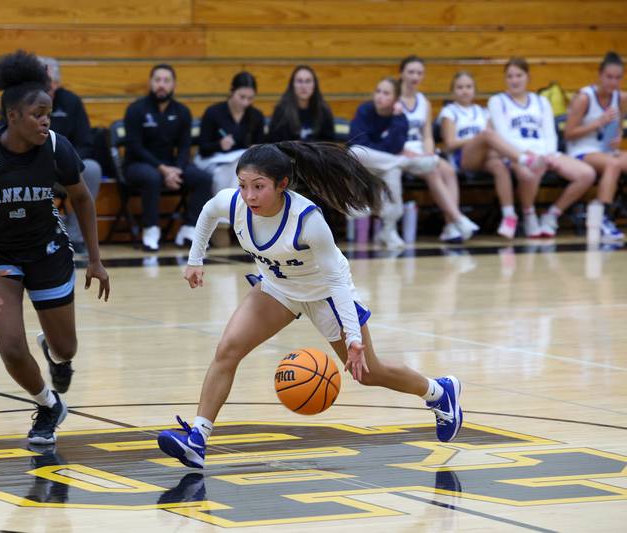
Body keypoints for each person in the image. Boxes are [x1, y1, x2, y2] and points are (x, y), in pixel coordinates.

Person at [156, 141, 463, 469]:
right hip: (279, 288)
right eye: (243, 186)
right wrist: (195, 260)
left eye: (259, 187)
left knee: (369, 373)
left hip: (326, 295)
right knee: (227, 349)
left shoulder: (308, 221)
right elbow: (207, 213)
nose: (249, 196)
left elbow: (337, 283)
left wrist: (353, 338)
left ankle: (438, 392)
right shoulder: (232, 204)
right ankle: (198, 439)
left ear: (282, 185)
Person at [0, 50, 110, 445]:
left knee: (66, 348)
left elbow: (82, 199)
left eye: (48, 112)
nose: (46, 120)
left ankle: (55, 356)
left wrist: (96, 260)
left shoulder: (55, 146)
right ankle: (48, 406)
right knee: (12, 347)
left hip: (46, 247)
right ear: (12, 116)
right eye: (37, 113)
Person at [488, 57, 596, 238]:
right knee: (531, 171)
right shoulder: (497, 101)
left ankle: (552, 214)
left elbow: (550, 132)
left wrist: (549, 155)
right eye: (510, 76)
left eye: (519, 75)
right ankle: (529, 214)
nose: (514, 80)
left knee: (587, 174)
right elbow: (503, 134)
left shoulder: (541, 102)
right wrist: (531, 155)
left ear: (528, 77)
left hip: (545, 151)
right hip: (516, 154)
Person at [438, 72, 547, 238]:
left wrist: (483, 140)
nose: (465, 91)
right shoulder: (449, 111)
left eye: (468, 87)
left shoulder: (483, 112)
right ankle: (523, 159)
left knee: (499, 166)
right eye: (460, 87)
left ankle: (509, 216)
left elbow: (495, 140)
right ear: (453, 92)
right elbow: (450, 143)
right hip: (463, 158)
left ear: (474, 90)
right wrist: (477, 139)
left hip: (487, 158)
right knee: (487, 135)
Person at [123, 64, 213, 251]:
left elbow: (184, 146)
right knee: (152, 177)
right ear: (150, 83)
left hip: (172, 165)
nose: (161, 85)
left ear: (174, 85)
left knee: (203, 178)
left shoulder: (182, 112)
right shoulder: (136, 110)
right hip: (138, 164)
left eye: (166, 81)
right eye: (157, 80)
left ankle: (189, 229)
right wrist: (163, 170)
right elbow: (135, 146)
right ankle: (150, 230)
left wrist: (177, 171)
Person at [349, 77, 447, 247]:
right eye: (378, 91)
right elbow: (360, 143)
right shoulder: (364, 110)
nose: (380, 96)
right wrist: (393, 156)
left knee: (392, 172)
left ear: (395, 99)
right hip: (361, 163)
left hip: (382, 165)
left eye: (386, 93)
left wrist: (396, 119)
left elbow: (394, 147)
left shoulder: (400, 119)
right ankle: (406, 163)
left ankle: (388, 230)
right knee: (355, 152)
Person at [399, 56, 479, 242]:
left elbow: (427, 134)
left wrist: (428, 151)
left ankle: (451, 226)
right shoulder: (394, 99)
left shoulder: (424, 102)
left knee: (449, 170)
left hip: (420, 151)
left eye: (419, 73)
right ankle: (458, 219)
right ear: (401, 73)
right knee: (432, 172)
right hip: (400, 152)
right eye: (411, 72)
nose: (415, 76)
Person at [37, 56, 104, 255]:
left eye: (45, 81)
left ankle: (76, 235)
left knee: (92, 168)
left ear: (56, 83)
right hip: (31, 168)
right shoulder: (22, 104)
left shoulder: (72, 102)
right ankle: (37, 233)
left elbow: (86, 144)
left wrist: (65, 162)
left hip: (64, 169)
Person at [195, 71, 265, 246]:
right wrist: (219, 144)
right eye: (242, 97)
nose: (245, 102)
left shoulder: (255, 116)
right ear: (232, 91)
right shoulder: (213, 112)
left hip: (240, 164)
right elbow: (202, 148)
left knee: (241, 172)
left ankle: (237, 223)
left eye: (250, 98)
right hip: (212, 160)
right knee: (224, 174)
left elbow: (261, 145)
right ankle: (226, 225)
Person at [564, 51, 627, 241]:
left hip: (606, 150)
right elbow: (568, 133)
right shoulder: (585, 97)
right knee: (613, 164)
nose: (613, 82)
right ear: (600, 75)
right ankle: (603, 217)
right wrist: (597, 123)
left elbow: (619, 126)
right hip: (581, 149)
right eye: (609, 77)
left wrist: (618, 136)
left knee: (615, 160)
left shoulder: (622, 98)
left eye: (617, 78)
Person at [268, 66, 335, 143]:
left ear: (314, 85)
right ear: (292, 85)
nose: (303, 86)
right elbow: (274, 145)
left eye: (308, 81)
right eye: (299, 81)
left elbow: (330, 145)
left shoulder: (324, 111)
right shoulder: (281, 112)